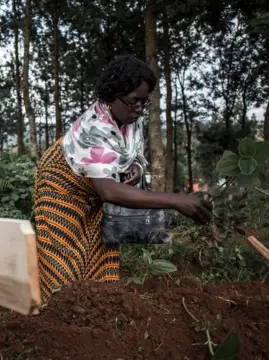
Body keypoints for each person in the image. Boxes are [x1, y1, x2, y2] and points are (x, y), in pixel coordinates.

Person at [34, 55, 213, 304]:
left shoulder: (131, 119)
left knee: (99, 252)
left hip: (95, 187)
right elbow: (108, 191)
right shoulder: (94, 126)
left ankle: (97, 314)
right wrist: (174, 200)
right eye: (132, 102)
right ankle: (60, 317)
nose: (139, 109)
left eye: (144, 102)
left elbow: (135, 154)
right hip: (62, 185)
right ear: (112, 95)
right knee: (63, 261)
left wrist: (137, 168)